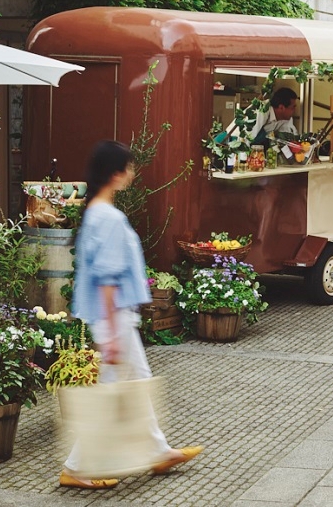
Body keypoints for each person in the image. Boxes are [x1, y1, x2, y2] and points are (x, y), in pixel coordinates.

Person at [61, 141, 202, 489]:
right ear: (116, 173)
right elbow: (107, 279)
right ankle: (76, 467)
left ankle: (159, 451)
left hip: (113, 316)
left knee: (136, 383)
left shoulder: (94, 210)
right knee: (112, 391)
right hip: (115, 316)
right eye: (129, 167)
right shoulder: (108, 217)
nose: (133, 173)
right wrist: (109, 333)